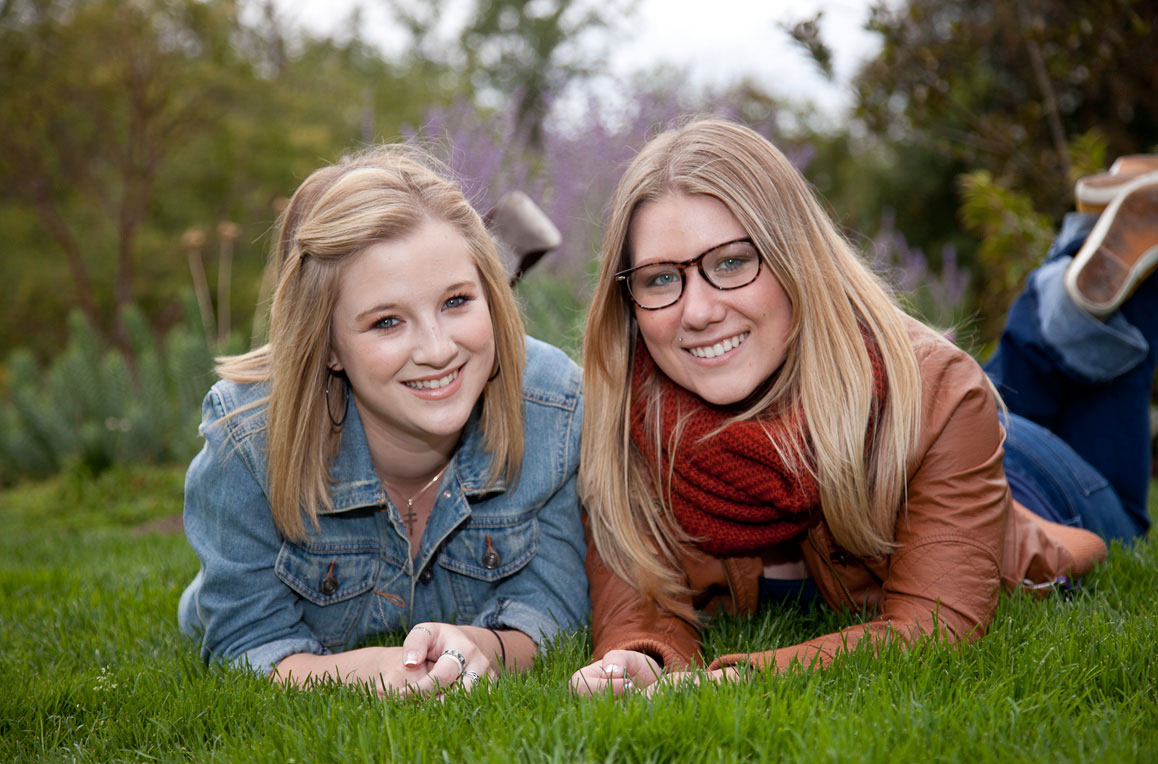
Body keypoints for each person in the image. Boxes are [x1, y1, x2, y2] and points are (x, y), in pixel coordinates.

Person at [569, 117, 1155, 696]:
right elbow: (640, 608)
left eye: (730, 262)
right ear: (629, 298)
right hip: (954, 423)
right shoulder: (627, 419)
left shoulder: (936, 392)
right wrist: (639, 661)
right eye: (660, 278)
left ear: (795, 256)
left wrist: (732, 681)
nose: (696, 311)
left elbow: (934, 625)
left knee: (1123, 499)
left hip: (1027, 483)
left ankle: (1083, 270)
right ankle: (1078, 267)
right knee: (1000, 378)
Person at [178, 145, 588, 697]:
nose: (438, 350)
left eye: (456, 301)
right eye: (387, 322)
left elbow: (554, 611)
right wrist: (379, 669)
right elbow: (247, 643)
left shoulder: (550, 402)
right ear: (328, 345)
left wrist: (481, 647)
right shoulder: (249, 436)